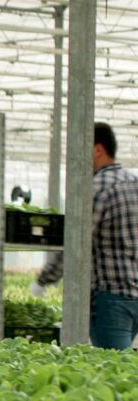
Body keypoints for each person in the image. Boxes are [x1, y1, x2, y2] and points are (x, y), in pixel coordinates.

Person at [31, 122, 138, 350]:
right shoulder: (134, 183)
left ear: (98, 149)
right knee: (125, 369)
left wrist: (45, 280)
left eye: (81, 150)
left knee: (111, 369)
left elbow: (77, 241)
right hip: (134, 293)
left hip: (112, 296)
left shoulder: (95, 188)